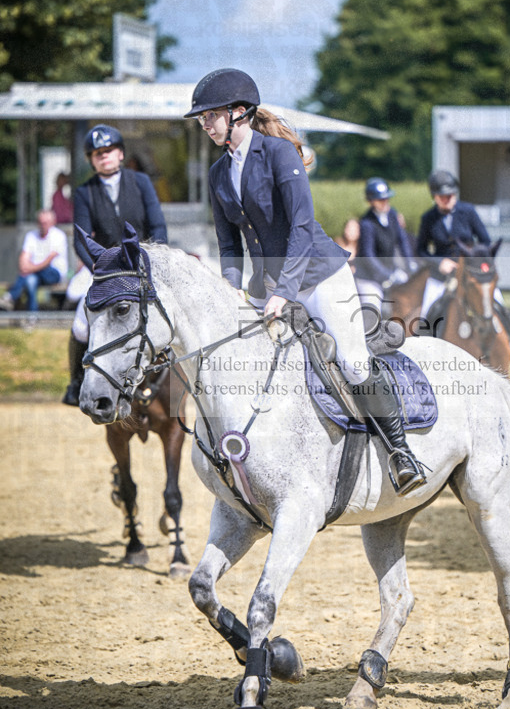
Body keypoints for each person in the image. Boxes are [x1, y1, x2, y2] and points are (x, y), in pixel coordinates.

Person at [184, 67, 426, 495]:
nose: (204, 124)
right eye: (202, 118)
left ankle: (400, 452)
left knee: (352, 363)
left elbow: (299, 228)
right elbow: (229, 245)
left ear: (238, 113)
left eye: (209, 116)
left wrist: (282, 293)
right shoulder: (219, 173)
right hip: (271, 288)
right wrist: (229, 291)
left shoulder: (278, 155)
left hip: (319, 277)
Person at [61, 124, 168, 406]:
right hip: (104, 268)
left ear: (120, 154)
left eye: (108, 151)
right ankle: (75, 381)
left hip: (142, 263)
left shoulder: (141, 182)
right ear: (91, 160)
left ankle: (169, 379)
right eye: (97, 154)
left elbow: (157, 225)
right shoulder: (85, 192)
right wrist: (101, 268)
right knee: (81, 324)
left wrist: (151, 260)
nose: (104, 157)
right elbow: (81, 240)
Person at [416, 171, 510, 369]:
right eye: (442, 197)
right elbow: (420, 249)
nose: (447, 200)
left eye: (451, 196)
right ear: (434, 196)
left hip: (471, 272)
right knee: (429, 309)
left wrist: (474, 258)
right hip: (442, 275)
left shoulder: (467, 211)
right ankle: (424, 353)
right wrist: (439, 262)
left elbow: (485, 241)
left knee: (498, 303)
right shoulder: (428, 218)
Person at [354, 177, 416, 317]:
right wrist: (388, 275)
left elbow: (402, 241)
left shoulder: (392, 215)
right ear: (371, 201)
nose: (384, 202)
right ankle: (370, 335)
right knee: (373, 307)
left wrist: (410, 264)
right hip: (369, 277)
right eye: (380, 200)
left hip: (390, 270)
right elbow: (368, 256)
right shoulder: (367, 223)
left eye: (386, 199)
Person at [0, 209, 69, 312]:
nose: (42, 225)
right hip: (35, 272)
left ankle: (9, 296)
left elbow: (47, 261)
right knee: (30, 281)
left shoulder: (59, 236)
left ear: (52, 222)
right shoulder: (31, 235)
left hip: (54, 274)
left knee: (31, 275)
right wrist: (24, 266)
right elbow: (24, 255)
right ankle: (32, 316)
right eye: (40, 222)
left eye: (45, 223)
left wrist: (28, 268)